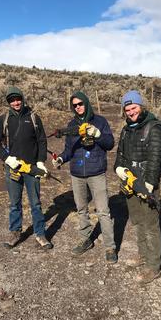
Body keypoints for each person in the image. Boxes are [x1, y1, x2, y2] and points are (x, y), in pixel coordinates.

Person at [52, 91, 117, 264]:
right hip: (77, 173)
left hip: (97, 172)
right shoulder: (72, 124)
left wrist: (97, 135)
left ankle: (110, 247)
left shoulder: (100, 121)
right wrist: (60, 158)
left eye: (80, 103)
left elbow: (110, 144)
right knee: (82, 209)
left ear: (87, 103)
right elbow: (68, 150)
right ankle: (85, 239)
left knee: (103, 211)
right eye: (74, 105)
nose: (78, 107)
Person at [114, 90, 161, 284]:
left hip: (146, 184)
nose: (130, 112)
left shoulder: (154, 128)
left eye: (133, 108)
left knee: (151, 224)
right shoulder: (127, 130)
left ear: (141, 106)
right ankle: (143, 254)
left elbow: (155, 159)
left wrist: (149, 185)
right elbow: (120, 154)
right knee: (137, 220)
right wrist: (119, 169)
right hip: (130, 182)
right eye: (127, 110)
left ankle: (153, 266)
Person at [0, 86, 52, 250]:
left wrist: (40, 161)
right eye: (12, 100)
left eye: (18, 99)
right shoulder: (3, 119)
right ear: (8, 102)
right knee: (14, 203)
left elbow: (42, 141)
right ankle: (15, 233)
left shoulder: (33, 117)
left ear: (22, 99)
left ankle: (40, 234)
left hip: (32, 168)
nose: (16, 102)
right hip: (13, 168)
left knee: (36, 203)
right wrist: (6, 158)